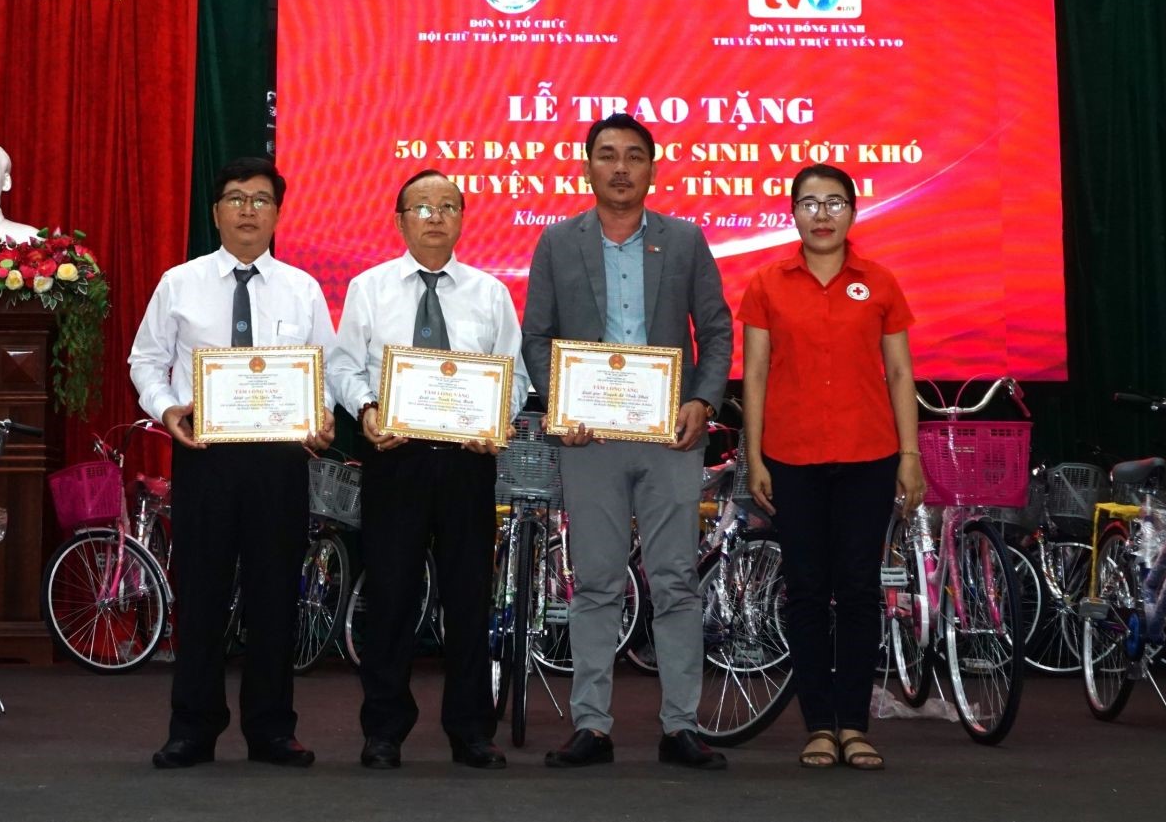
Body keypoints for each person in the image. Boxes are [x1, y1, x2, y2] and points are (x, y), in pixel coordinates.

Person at [522, 112, 733, 771]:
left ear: (651, 167)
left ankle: (680, 727)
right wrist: (561, 404)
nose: (620, 167)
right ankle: (591, 725)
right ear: (587, 166)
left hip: (669, 434)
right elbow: (536, 338)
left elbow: (717, 330)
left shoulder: (686, 240)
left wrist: (701, 399)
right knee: (596, 584)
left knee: (674, 581)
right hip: (589, 439)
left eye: (633, 156)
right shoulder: (558, 243)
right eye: (607, 154)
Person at [128, 157, 336, 770]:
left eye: (261, 199)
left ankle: (272, 729)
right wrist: (168, 412)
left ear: (278, 212)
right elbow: (146, 361)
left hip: (279, 463)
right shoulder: (179, 282)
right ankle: (192, 727)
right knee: (203, 594)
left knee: (276, 595)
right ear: (216, 211)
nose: (249, 209)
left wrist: (321, 419)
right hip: (206, 457)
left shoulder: (302, 288)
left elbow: (322, 370)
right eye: (236, 198)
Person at [326, 170, 530, 771]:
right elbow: (343, 368)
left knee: (469, 597)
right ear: (400, 220)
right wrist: (365, 410)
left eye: (447, 206)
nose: (435, 217)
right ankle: (384, 729)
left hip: (467, 463)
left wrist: (498, 416)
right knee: (389, 595)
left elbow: (514, 375)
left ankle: (471, 730)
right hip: (396, 459)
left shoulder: (489, 293)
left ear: (463, 219)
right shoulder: (369, 289)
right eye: (422, 207)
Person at [740, 164, 924, 772]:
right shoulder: (767, 282)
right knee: (809, 594)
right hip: (791, 459)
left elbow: (900, 374)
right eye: (810, 203)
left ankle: (855, 724)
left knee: (858, 591)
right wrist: (754, 455)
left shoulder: (880, 282)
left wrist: (909, 454)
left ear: (852, 211)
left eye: (835, 202)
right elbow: (757, 374)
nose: (822, 214)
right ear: (792, 213)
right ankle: (819, 724)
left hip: (869, 457)